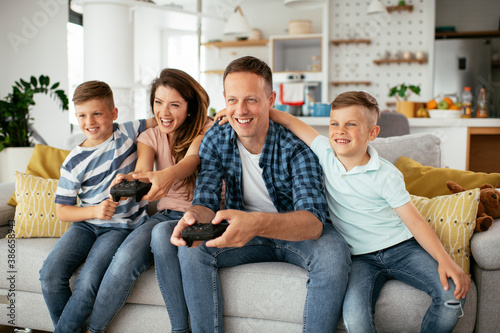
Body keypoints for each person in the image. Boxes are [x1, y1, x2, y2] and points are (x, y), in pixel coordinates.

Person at [158, 56, 351, 333]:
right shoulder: (216, 139)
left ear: (271, 99)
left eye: (252, 99)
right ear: (224, 99)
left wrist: (256, 223)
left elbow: (313, 222)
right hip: (244, 230)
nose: (241, 110)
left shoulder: (296, 146)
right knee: (193, 249)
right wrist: (193, 217)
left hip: (294, 231)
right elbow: (206, 202)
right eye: (233, 100)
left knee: (333, 252)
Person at [267, 91, 470, 332]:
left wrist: (444, 260)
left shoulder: (386, 174)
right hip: (359, 258)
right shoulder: (325, 154)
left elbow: (415, 222)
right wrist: (249, 110)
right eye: (335, 123)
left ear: (372, 133)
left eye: (351, 124)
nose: (340, 130)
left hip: (401, 249)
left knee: (452, 297)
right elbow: (292, 121)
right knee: (355, 319)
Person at [85, 68, 212, 333]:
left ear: (189, 107)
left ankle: (180, 329)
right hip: (164, 216)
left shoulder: (208, 130)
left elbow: (192, 161)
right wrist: (127, 181)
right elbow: (143, 174)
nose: (164, 112)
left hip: (202, 214)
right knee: (122, 261)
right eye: (158, 103)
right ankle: (93, 330)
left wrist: (165, 176)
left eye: (174, 104)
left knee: (160, 236)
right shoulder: (150, 136)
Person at [39, 80, 156, 333]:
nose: (89, 122)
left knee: (89, 280)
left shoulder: (127, 131)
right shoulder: (73, 162)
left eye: (97, 114)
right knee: (49, 274)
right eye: (82, 115)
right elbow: (62, 211)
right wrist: (94, 211)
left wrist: (209, 117)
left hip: (119, 227)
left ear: (113, 114)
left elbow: (163, 118)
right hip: (86, 225)